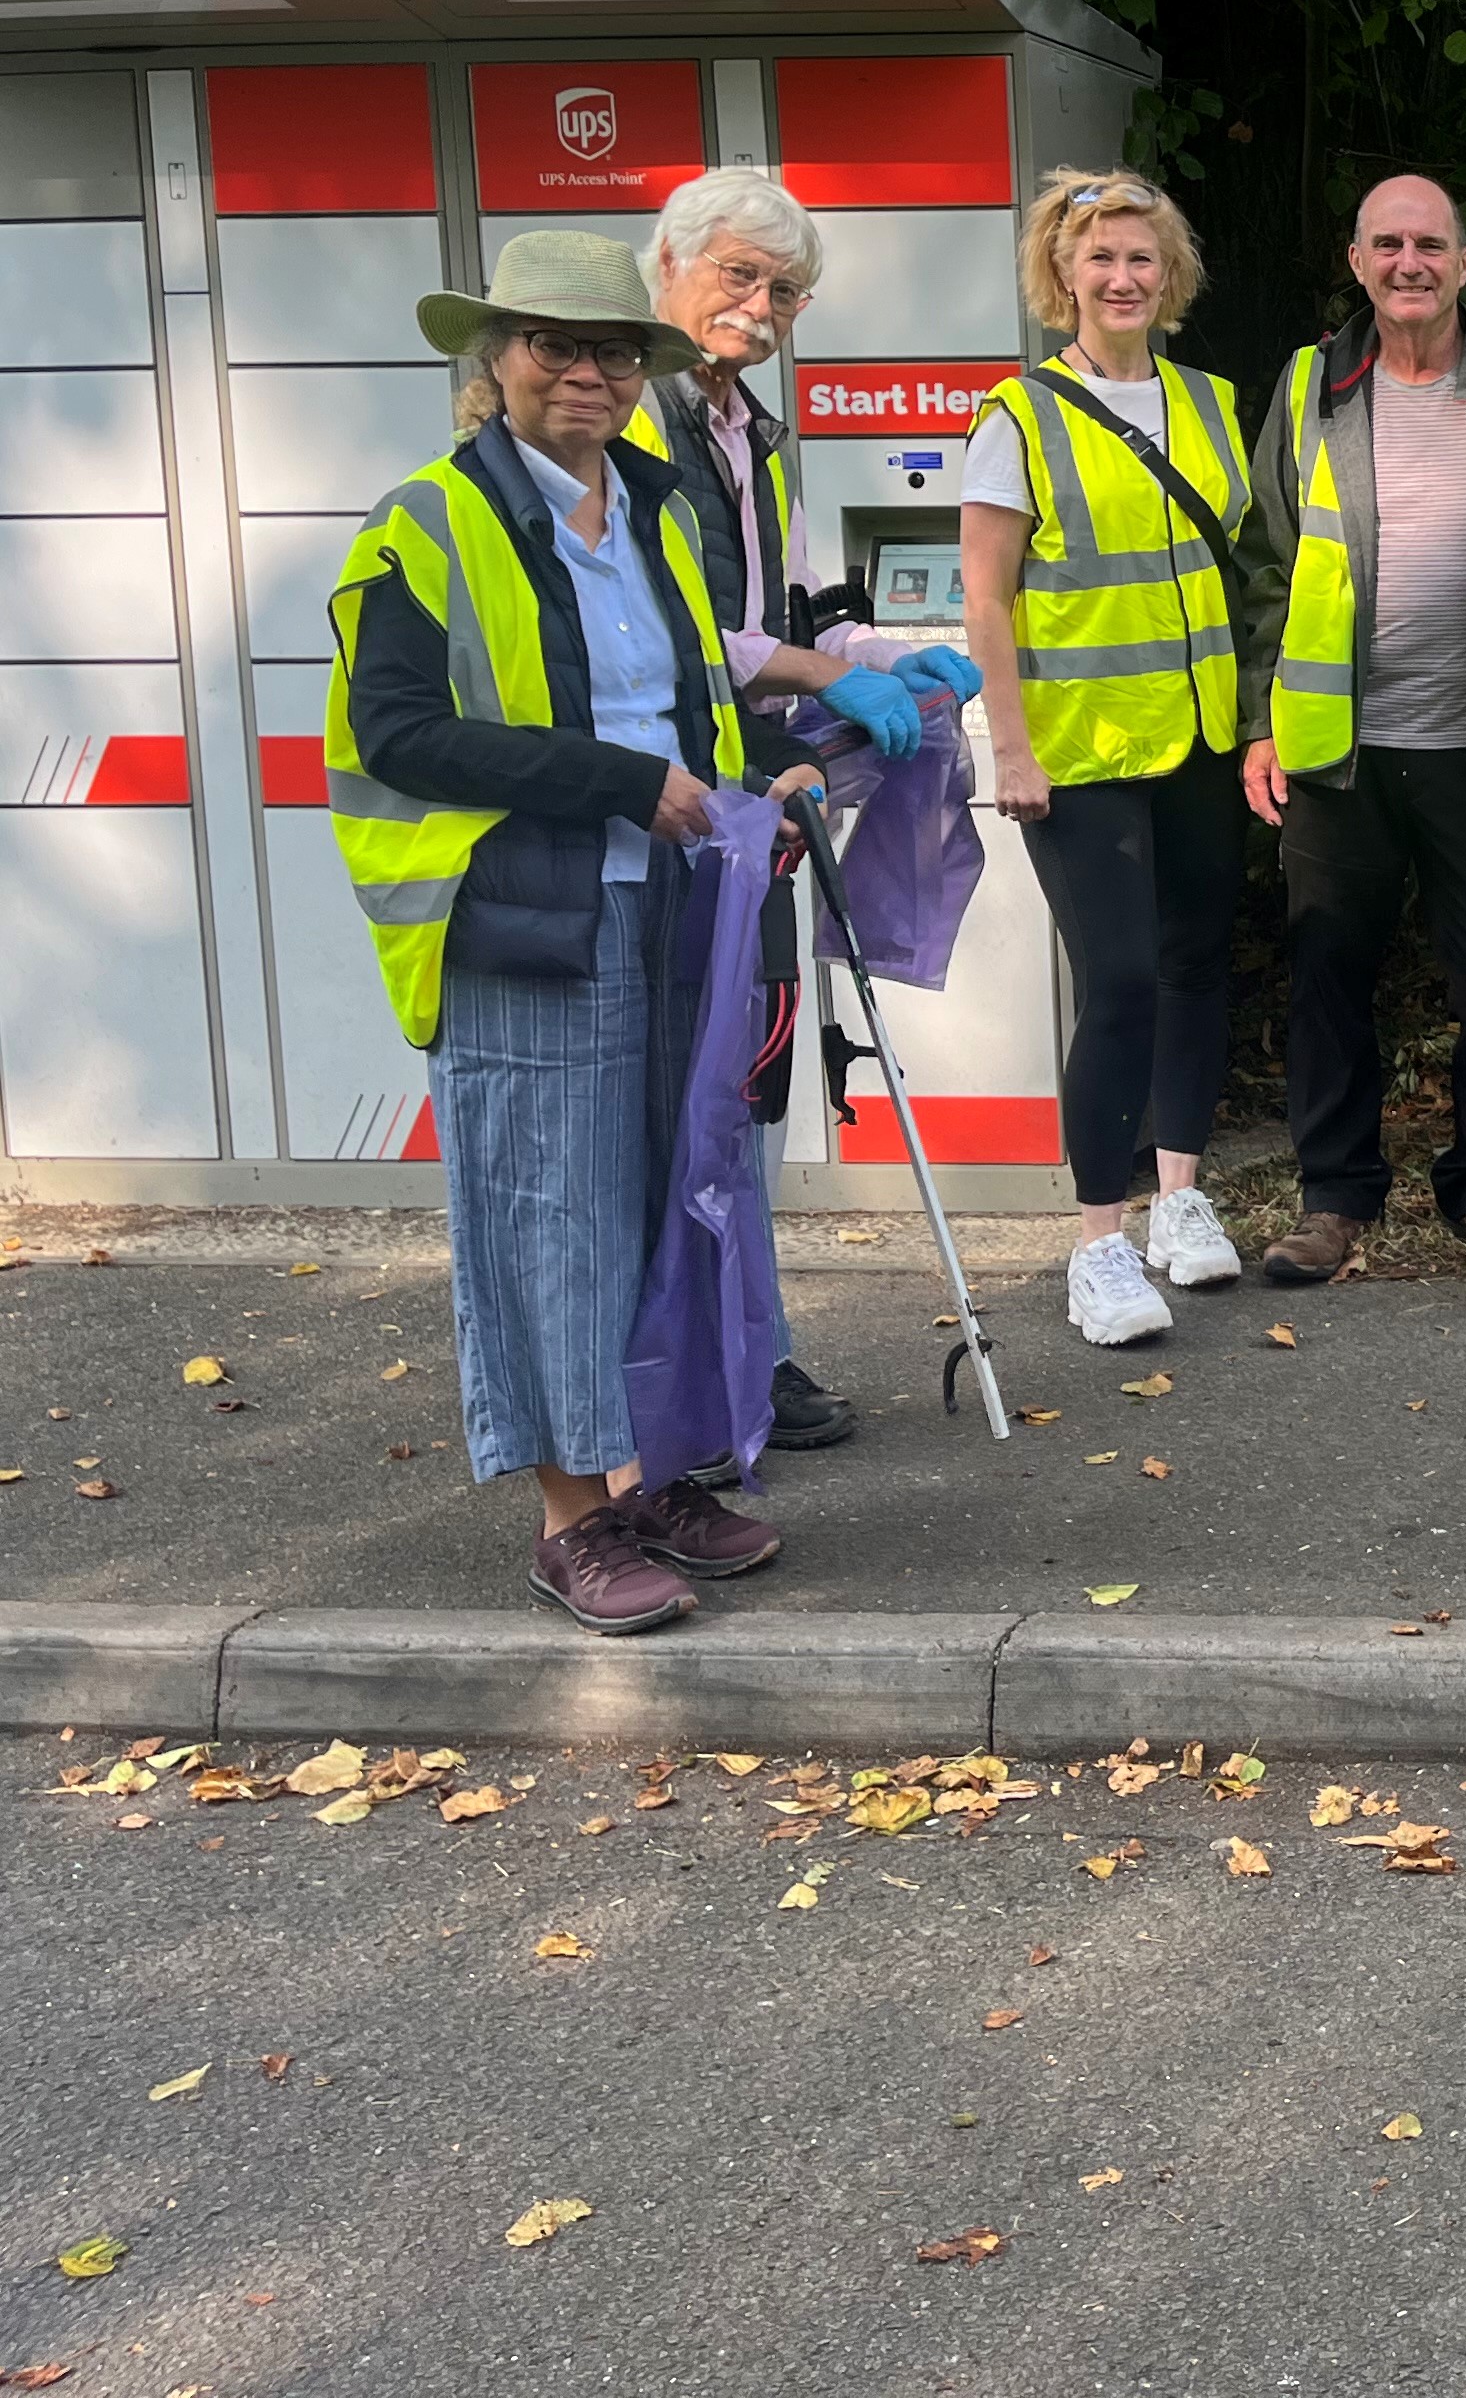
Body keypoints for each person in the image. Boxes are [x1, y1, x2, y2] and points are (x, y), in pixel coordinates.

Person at [324, 231, 847, 1633]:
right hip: (523, 919)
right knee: (551, 1222)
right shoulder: (423, 521)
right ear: (494, 359)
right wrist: (628, 786)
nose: (589, 370)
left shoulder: (661, 511)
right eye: (556, 342)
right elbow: (397, 732)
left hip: (673, 906)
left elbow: (694, 704)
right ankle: (575, 1517)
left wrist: (753, 786)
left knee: (674, 1196)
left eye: (615, 348)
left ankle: (663, 1472)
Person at [639, 167, 984, 1455]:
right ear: (669, 264)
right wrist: (833, 675)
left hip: (753, 803)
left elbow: (779, 611)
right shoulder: (633, 423)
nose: (761, 306)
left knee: (751, 1087)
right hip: (665, 811)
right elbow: (676, 633)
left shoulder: (753, 430)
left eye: (784, 290)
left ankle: (754, 1344)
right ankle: (700, 1360)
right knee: (687, 1093)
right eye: (739, 274)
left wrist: (888, 658)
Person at [1235, 173, 1466, 1285]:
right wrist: (1260, 721)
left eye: (1430, 244)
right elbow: (1268, 558)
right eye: (1388, 243)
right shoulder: (1313, 382)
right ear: (1357, 260)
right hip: (1340, 743)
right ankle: (1335, 1197)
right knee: (1328, 969)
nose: (1409, 262)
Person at [958, 169, 1250, 1349]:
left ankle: (1181, 1194)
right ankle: (1099, 1243)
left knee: (1195, 966)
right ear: (1060, 278)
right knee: (1121, 983)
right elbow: (987, 599)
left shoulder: (1216, 403)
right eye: (1099, 261)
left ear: (1168, 275)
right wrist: (1011, 746)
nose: (1123, 278)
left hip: (1199, 735)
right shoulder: (1016, 417)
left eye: (1142, 260)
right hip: (1076, 753)